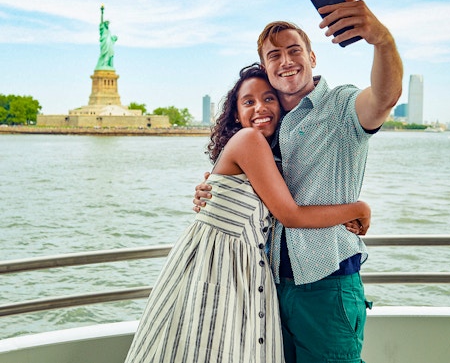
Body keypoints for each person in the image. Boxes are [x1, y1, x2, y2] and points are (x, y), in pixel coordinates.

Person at [193, 0, 403, 362]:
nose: (286, 61)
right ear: (266, 68)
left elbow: (385, 96)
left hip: (327, 283)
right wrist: (210, 192)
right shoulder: (267, 132)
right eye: (274, 55)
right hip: (269, 286)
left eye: (294, 51)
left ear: (312, 57)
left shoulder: (341, 107)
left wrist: (381, 40)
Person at [124, 64, 371, 363]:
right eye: (248, 102)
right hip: (219, 268)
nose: (260, 108)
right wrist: (358, 208)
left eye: (268, 99)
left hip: (238, 269)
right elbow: (290, 214)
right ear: (236, 114)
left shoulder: (270, 153)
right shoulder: (249, 140)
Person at [95, 5, 117, 70]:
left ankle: (108, 65)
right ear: (104, 24)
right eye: (106, 23)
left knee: (110, 53)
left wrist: (113, 39)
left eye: (108, 23)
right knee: (104, 53)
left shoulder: (109, 31)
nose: (107, 24)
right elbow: (101, 22)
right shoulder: (103, 29)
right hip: (104, 43)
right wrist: (102, 13)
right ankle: (103, 64)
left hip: (109, 44)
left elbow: (111, 39)